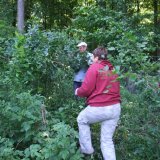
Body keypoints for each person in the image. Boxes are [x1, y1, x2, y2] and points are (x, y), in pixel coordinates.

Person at [75, 47, 121, 160]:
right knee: (107, 141)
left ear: (96, 57)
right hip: (115, 108)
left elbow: (86, 89)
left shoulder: (95, 67)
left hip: (101, 108)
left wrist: (77, 91)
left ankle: (86, 149)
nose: (92, 59)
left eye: (92, 57)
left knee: (81, 119)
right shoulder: (112, 69)